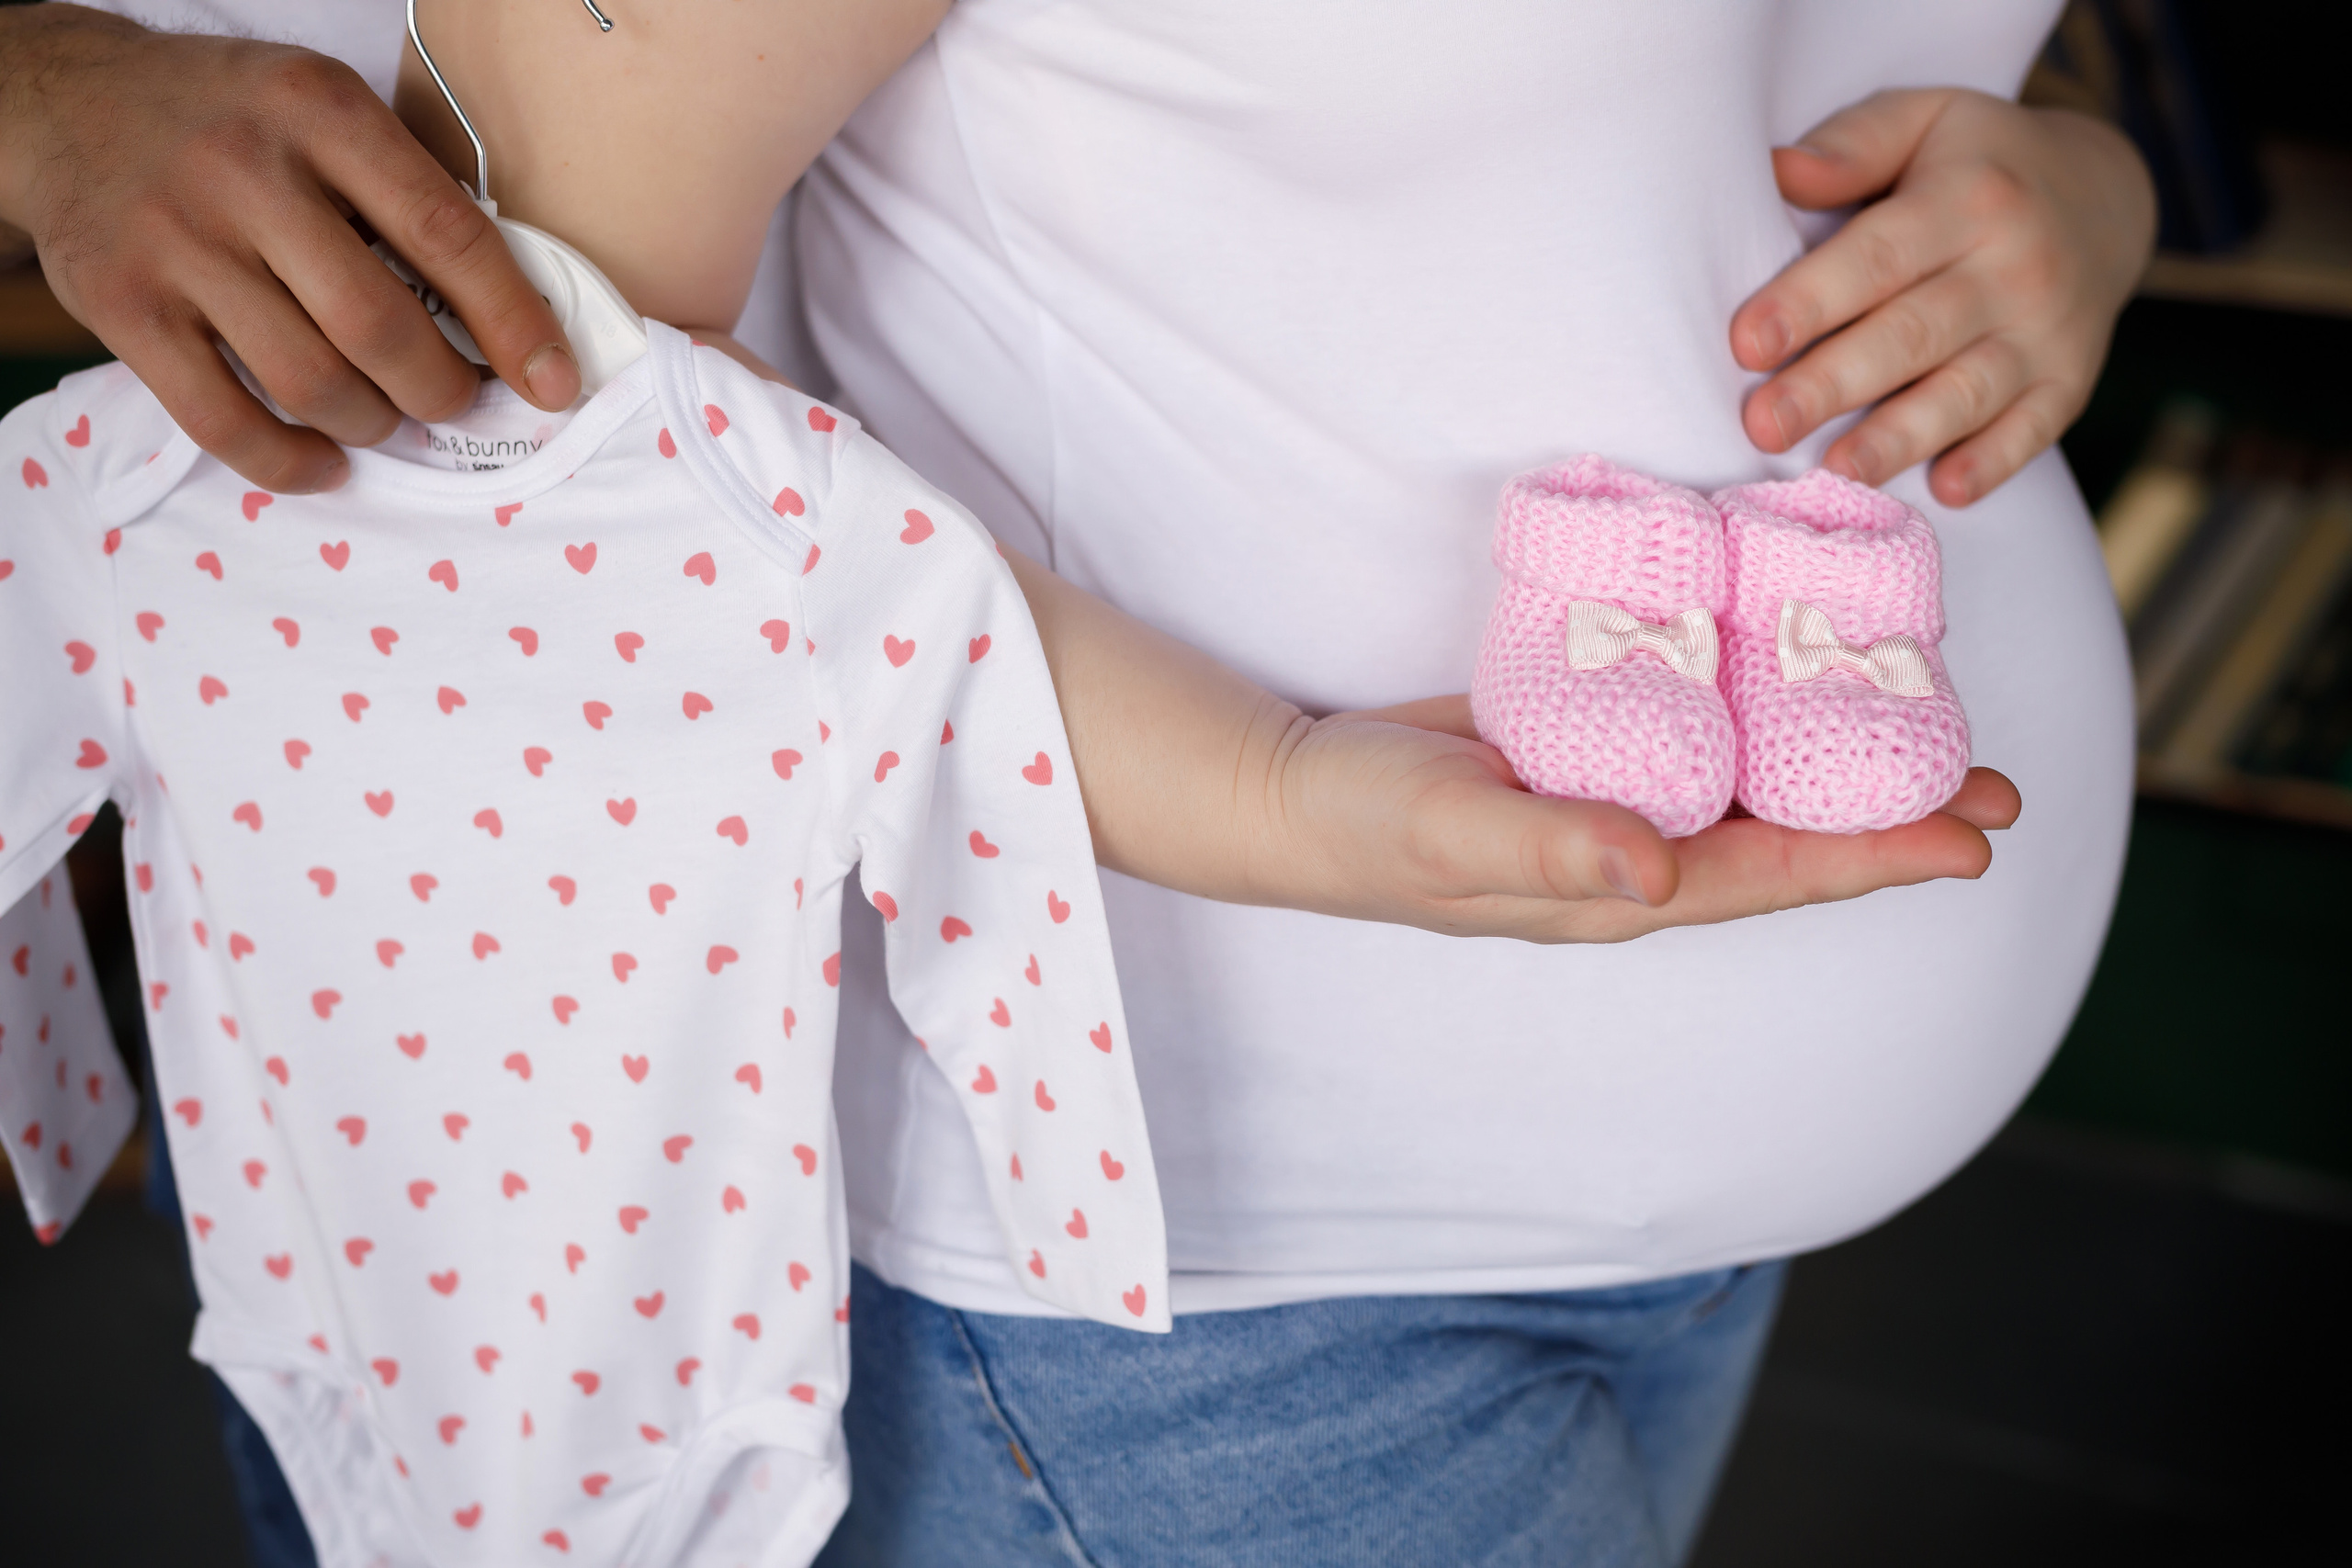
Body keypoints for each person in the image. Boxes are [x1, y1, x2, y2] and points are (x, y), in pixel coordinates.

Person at [0, 2, 2148, 1562]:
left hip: (1686, 1235)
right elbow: (549, 434)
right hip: (1173, 1305)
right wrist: (1268, 785)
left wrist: (2076, 179)